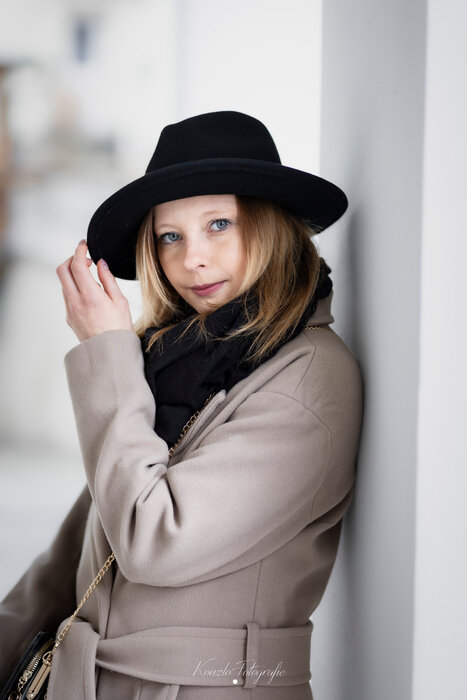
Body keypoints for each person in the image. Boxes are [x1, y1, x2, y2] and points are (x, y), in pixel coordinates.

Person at [0, 111, 363, 699]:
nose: (192, 257)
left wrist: (106, 353)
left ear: (271, 226)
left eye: (219, 224)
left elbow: (152, 541)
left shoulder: (309, 378)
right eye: (170, 236)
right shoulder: (167, 359)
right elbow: (78, 551)